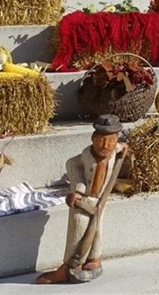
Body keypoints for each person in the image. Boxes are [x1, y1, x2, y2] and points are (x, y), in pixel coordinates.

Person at [37, 115, 127, 285]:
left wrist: (123, 148)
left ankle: (94, 259)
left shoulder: (114, 150)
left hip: (100, 200)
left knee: (97, 229)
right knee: (78, 226)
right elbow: (71, 164)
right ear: (93, 139)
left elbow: (120, 147)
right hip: (84, 199)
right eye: (100, 141)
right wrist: (77, 191)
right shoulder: (86, 155)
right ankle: (69, 265)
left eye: (110, 141)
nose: (105, 146)